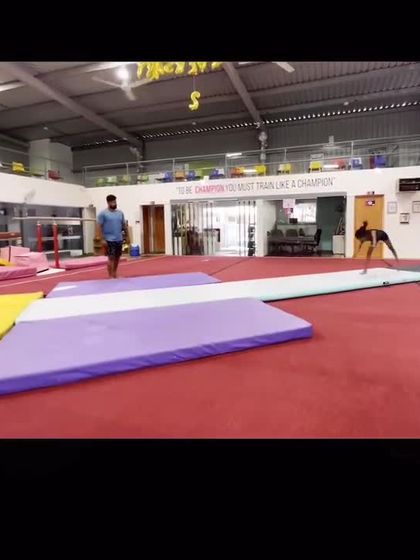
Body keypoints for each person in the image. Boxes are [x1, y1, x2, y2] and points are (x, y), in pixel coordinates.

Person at [97, 194, 130, 279]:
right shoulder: (103, 214)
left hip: (119, 238)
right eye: (112, 202)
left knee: (117, 257)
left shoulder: (120, 213)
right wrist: (102, 239)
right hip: (109, 239)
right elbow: (99, 227)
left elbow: (124, 225)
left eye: (115, 202)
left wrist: (127, 236)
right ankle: (110, 275)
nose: (114, 203)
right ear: (108, 203)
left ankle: (115, 274)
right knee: (111, 257)